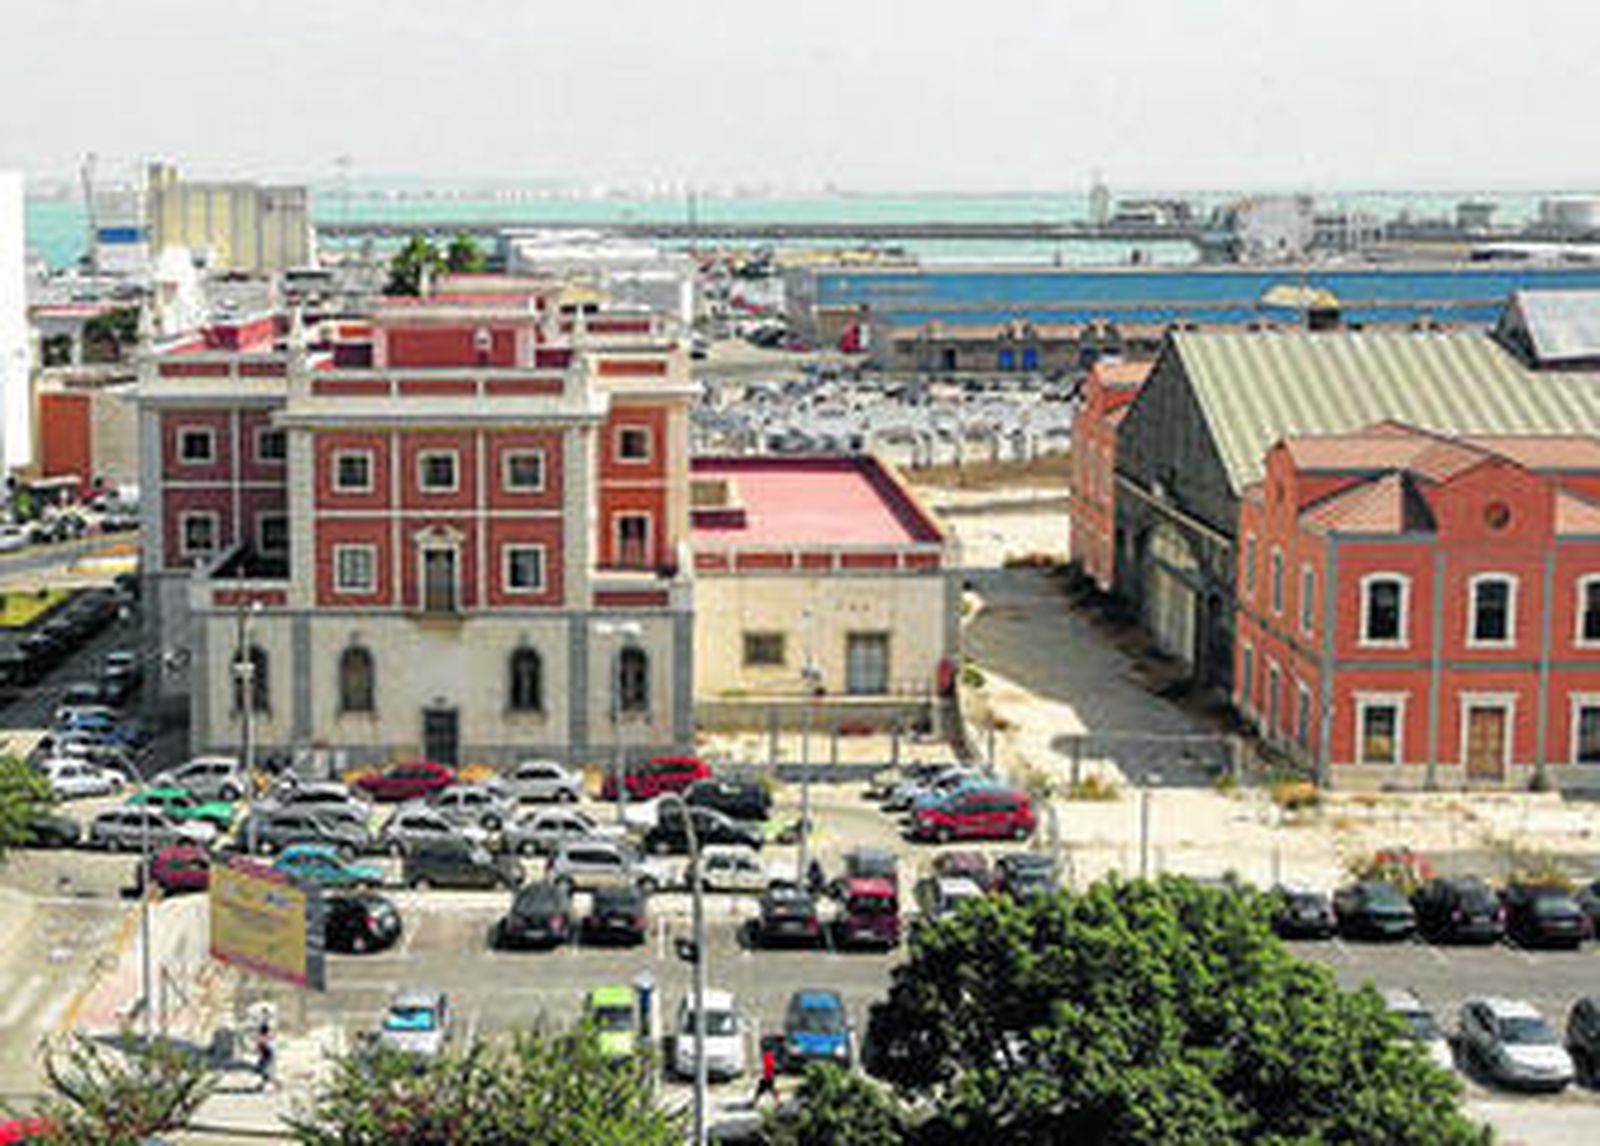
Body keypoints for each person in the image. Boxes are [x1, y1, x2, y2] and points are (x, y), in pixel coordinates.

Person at [255, 1019, 275, 1091]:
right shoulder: (267, 1038)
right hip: (267, 1057)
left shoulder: (263, 1039)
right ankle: (265, 1085)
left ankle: (266, 1085)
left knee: (265, 1073)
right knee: (266, 1073)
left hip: (266, 1057)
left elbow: (261, 1049)